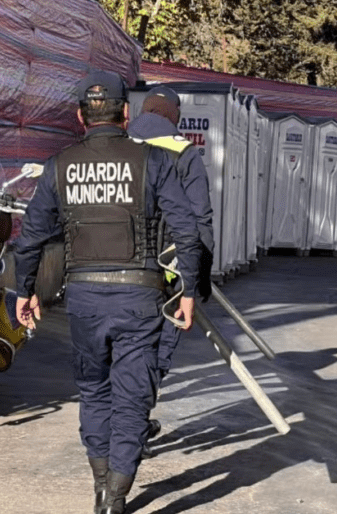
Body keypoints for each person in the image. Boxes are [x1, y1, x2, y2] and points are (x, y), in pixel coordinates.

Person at [12, 70, 202, 514]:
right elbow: (186, 228)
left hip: (84, 301)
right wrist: (188, 290)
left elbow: (32, 236)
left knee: (94, 391)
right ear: (126, 113)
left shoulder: (60, 165)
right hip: (139, 299)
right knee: (133, 396)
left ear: (81, 116)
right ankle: (115, 495)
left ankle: (101, 483)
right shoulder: (154, 160)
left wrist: (25, 290)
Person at [127, 86, 214, 396]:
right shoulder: (183, 151)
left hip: (109, 270)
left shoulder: (115, 145)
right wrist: (198, 281)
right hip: (164, 274)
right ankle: (133, 427)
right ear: (173, 116)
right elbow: (199, 218)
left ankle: (116, 427)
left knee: (114, 357)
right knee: (154, 354)